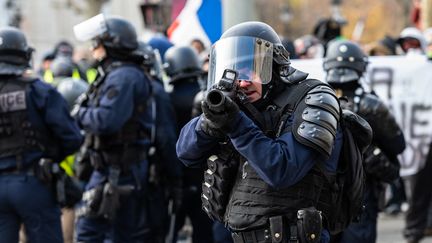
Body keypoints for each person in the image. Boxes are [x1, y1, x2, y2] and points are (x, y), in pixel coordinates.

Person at [176, 21, 345, 243]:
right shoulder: (238, 103)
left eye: (251, 69)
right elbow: (185, 152)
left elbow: (282, 170)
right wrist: (210, 122)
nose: (241, 82)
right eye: (235, 71)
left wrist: (236, 123)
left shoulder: (314, 97)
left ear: (275, 67)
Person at [72, 14, 154, 242]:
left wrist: (79, 114)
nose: (93, 48)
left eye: (97, 42)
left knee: (89, 231)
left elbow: (106, 120)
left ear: (111, 44)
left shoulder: (123, 76)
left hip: (117, 169)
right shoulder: (118, 73)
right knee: (120, 234)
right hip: (116, 167)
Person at [0, 26, 82, 242]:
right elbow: (72, 138)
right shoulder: (39, 90)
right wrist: (48, 155)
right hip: (33, 183)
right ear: (25, 55)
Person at [323, 40, 406, 243]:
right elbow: (398, 144)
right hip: (360, 195)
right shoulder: (372, 105)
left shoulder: (314, 102)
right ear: (361, 67)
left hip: (323, 194)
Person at [164, 45, 215, 243]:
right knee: (204, 233)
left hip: (178, 175)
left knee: (170, 232)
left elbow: (166, 140)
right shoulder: (209, 94)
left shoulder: (166, 98)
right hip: (205, 174)